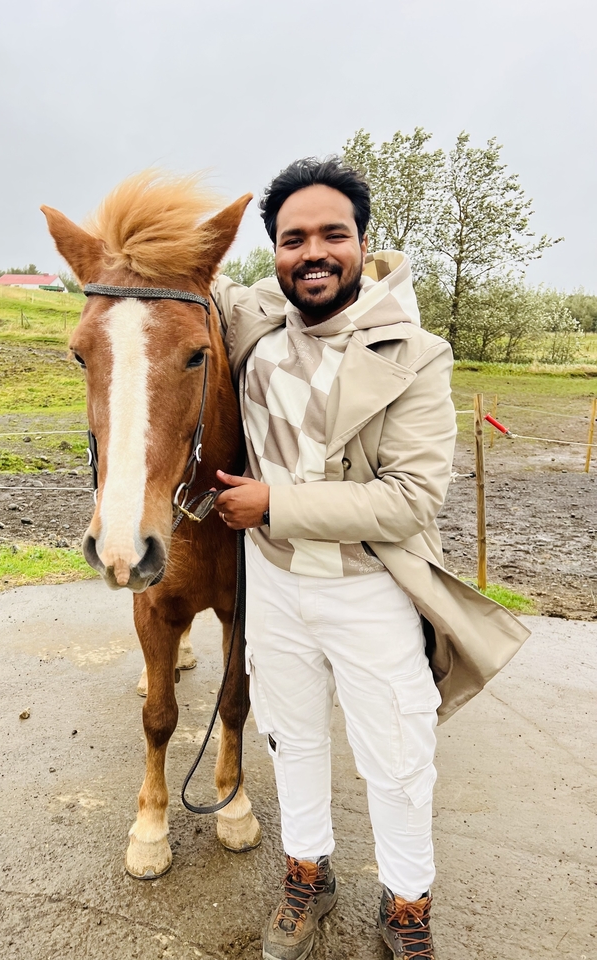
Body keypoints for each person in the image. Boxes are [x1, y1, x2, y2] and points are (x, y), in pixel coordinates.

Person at [212, 157, 529, 960]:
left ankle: (408, 904)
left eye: (333, 234)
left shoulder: (417, 353)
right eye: (293, 239)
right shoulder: (252, 322)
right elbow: (163, 283)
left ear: (361, 242)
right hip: (274, 584)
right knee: (290, 737)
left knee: (397, 755)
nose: (312, 252)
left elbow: (409, 499)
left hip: (370, 586)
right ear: (274, 252)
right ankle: (307, 876)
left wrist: (273, 504)